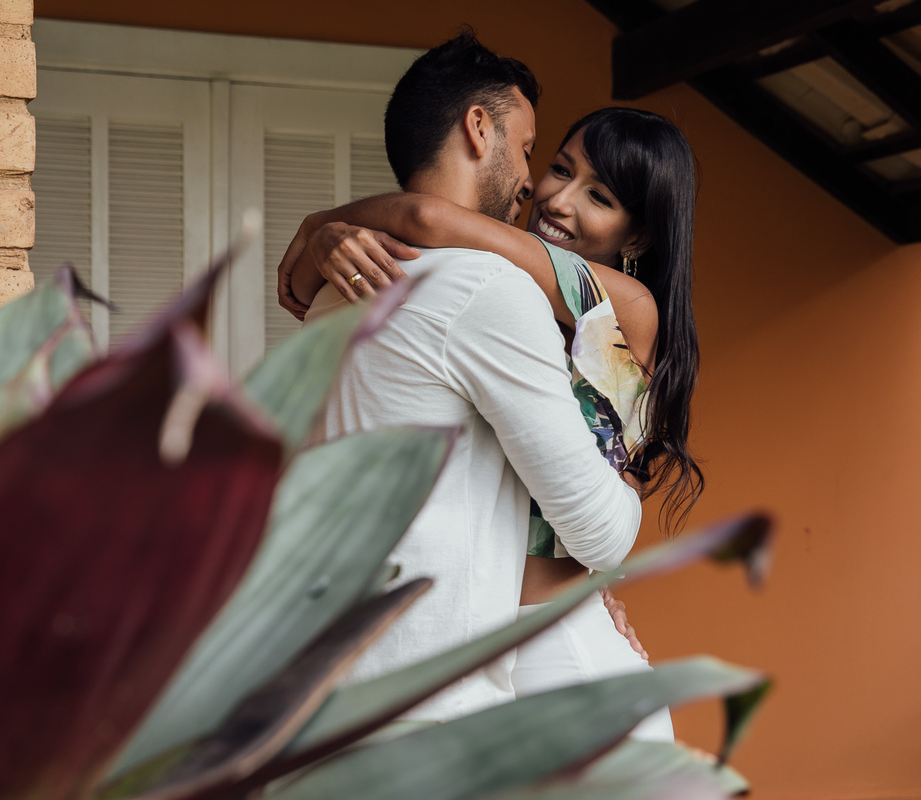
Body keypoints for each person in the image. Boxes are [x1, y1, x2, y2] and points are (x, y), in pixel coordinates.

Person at [280, 85, 704, 741]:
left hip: (558, 651)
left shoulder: (622, 306)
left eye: (600, 196)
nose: (558, 199)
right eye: (561, 168)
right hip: (502, 644)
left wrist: (318, 228)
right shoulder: (507, 284)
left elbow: (423, 216)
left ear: (638, 232)